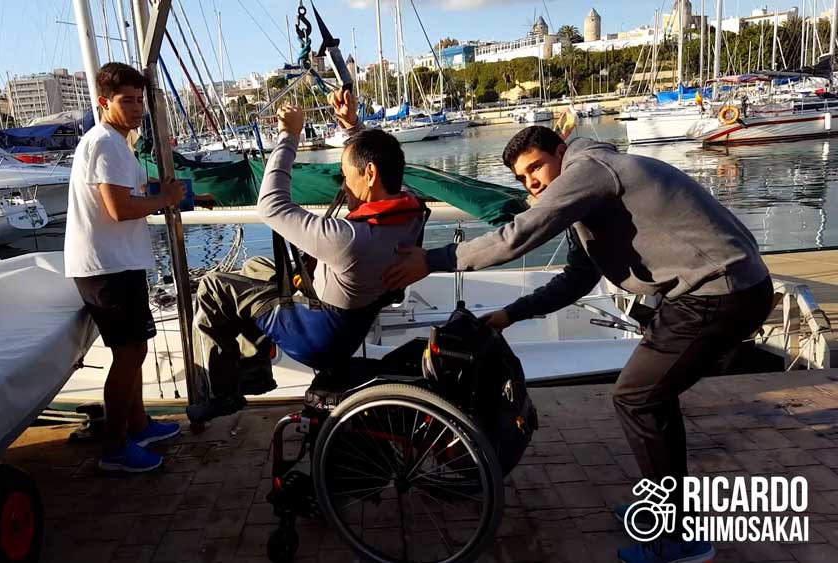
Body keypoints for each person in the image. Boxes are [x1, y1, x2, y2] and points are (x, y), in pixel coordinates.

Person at [383, 125, 774, 563]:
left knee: (638, 399)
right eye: (522, 177)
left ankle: (680, 540)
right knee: (650, 399)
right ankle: (669, 513)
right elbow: (578, 279)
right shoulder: (591, 195)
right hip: (712, 292)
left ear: (561, 152)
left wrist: (435, 260)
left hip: (720, 293)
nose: (531, 182)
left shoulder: (591, 169)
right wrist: (511, 314)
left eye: (536, 167)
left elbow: (519, 235)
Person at [186, 90, 427, 424]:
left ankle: (223, 393)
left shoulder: (350, 239)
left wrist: (289, 136)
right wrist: (353, 127)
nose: (343, 185)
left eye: (345, 176)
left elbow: (270, 206)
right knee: (255, 268)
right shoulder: (412, 213)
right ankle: (255, 365)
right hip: (349, 320)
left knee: (214, 288)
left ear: (369, 174)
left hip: (318, 335)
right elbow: (385, 168)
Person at [65, 62, 186, 473]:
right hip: (106, 267)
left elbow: (130, 195)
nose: (137, 108)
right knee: (127, 354)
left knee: (136, 350)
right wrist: (166, 199)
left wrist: (175, 194)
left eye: (139, 100)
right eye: (127, 101)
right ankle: (115, 448)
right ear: (104, 102)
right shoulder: (105, 143)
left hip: (118, 263)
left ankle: (138, 425)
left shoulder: (118, 143)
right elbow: (119, 209)